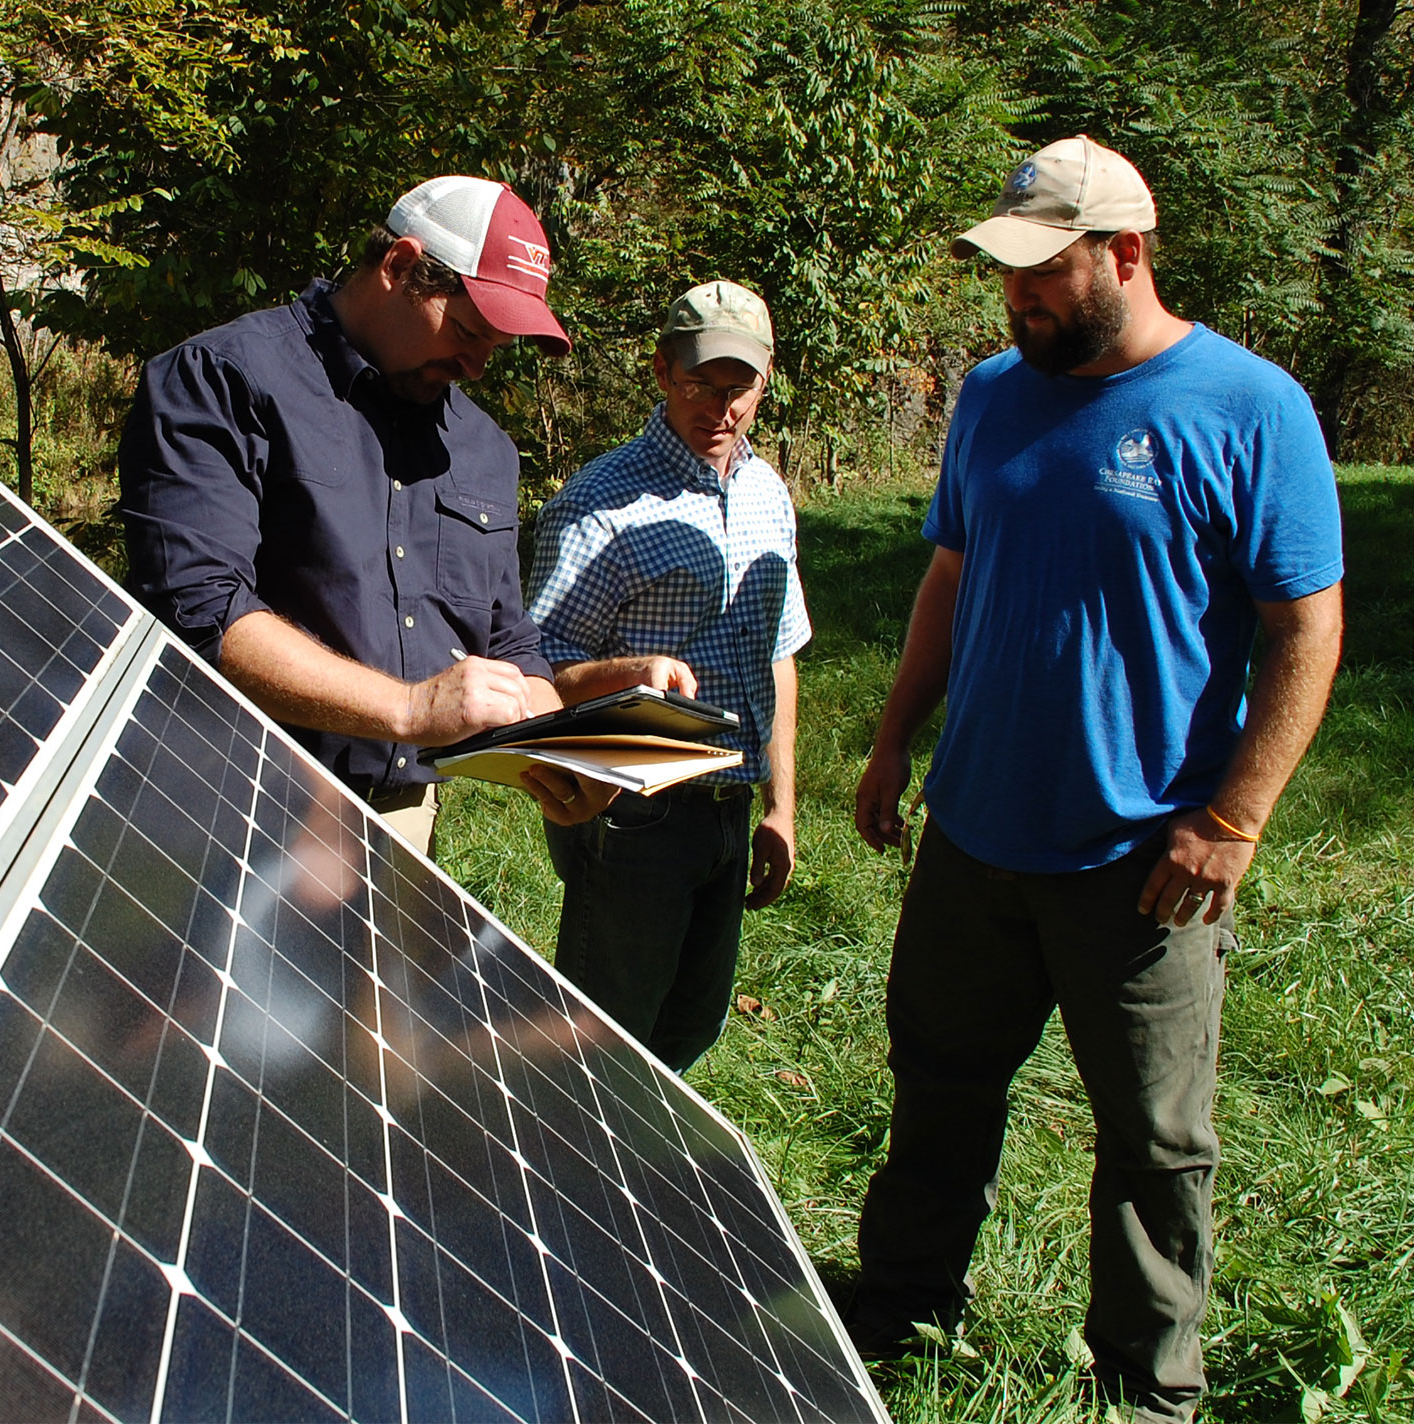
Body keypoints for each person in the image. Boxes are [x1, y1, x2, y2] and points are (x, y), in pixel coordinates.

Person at [846, 136, 1345, 1422]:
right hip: (974, 833)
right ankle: (897, 1319)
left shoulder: (1250, 408)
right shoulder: (992, 394)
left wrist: (1231, 818)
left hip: (1142, 860)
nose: (1015, 298)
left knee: (1154, 1142)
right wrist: (899, 733)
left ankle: (1145, 1383)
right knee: (937, 1083)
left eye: (1041, 272)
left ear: (1123, 253)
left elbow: (1305, 625)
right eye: (1005, 273)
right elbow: (950, 574)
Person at [117, 175, 615, 855]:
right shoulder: (224, 379)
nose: (475, 365)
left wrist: (557, 747)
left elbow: (508, 640)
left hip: (403, 821)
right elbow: (199, 613)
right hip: (230, 801)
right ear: (400, 266)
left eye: (496, 349)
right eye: (468, 330)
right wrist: (410, 710)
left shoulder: (485, 451)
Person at [523, 281, 811, 1072]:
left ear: (766, 380)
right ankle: (563, 1183)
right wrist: (630, 672)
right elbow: (535, 675)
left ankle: (641, 1187)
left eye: (737, 388)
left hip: (730, 806)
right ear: (659, 370)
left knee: (688, 1031)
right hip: (632, 812)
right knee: (601, 1046)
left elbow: (778, 653)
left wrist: (780, 807)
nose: (717, 408)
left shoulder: (767, 494)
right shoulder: (598, 505)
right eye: (696, 384)